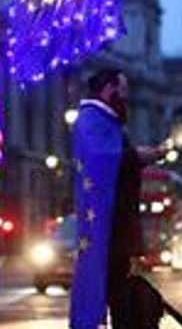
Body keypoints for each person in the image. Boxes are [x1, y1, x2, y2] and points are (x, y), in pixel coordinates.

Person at [69, 68, 168, 329]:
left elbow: (116, 165)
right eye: (122, 93)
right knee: (115, 293)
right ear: (108, 90)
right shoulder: (92, 119)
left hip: (117, 223)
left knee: (119, 292)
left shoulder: (106, 122)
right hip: (107, 225)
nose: (125, 100)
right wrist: (138, 156)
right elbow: (101, 160)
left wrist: (139, 157)